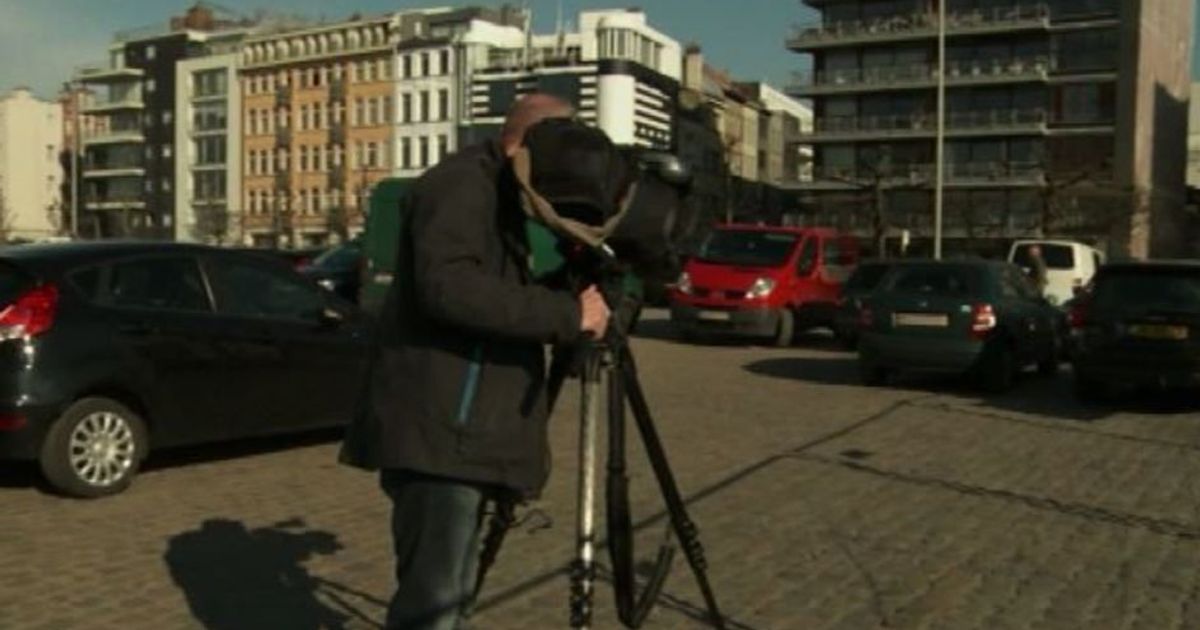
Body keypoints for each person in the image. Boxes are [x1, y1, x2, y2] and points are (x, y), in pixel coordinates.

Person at [339, 94, 619, 630]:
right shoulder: (463, 184)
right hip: (442, 438)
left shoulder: (500, 194)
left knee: (453, 597)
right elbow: (449, 288)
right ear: (532, 146)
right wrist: (566, 314)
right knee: (436, 604)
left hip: (465, 435)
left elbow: (493, 292)